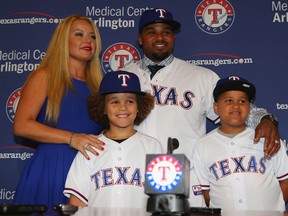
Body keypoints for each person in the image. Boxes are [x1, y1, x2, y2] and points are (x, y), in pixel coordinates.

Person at [123, 8, 280, 206]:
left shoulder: (201, 77)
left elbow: (233, 107)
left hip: (183, 175)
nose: (160, 37)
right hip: (131, 175)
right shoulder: (123, 78)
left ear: (173, 37)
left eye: (166, 31)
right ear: (140, 38)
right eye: (152, 31)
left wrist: (266, 119)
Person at [13, 15, 105, 207]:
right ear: (64, 40)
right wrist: (71, 138)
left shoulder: (100, 87)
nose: (88, 40)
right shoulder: (45, 75)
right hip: (50, 170)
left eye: (92, 36)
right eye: (79, 34)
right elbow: (21, 125)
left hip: (88, 171)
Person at [64, 71, 163, 208]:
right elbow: (77, 203)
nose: (123, 107)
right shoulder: (90, 148)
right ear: (103, 107)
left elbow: (161, 201)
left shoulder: (152, 147)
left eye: (130, 101)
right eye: (114, 101)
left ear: (139, 106)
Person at [192, 76, 288, 211]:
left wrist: (273, 209)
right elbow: (206, 192)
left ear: (249, 107)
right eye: (228, 100)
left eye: (242, 101)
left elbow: (285, 180)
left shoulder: (267, 138)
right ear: (215, 107)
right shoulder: (203, 145)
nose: (236, 105)